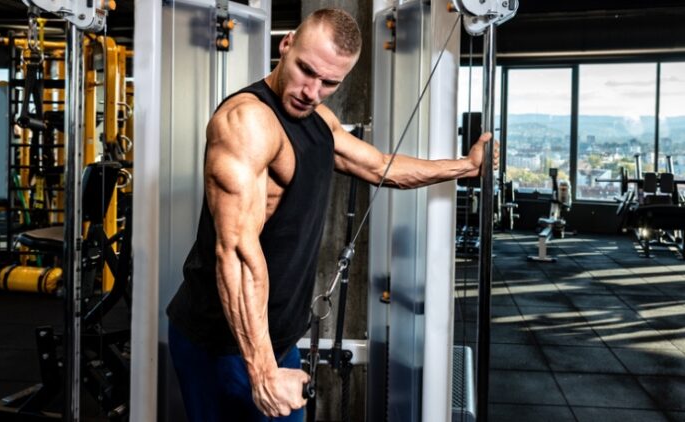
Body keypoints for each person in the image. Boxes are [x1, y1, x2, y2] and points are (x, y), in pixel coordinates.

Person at [167, 7, 495, 421]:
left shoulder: (318, 116)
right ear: (286, 45)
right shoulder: (247, 123)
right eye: (306, 71)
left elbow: (379, 167)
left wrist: (465, 167)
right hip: (225, 343)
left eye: (329, 82)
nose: (312, 91)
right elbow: (235, 254)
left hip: (277, 338)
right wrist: (264, 372)